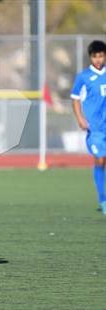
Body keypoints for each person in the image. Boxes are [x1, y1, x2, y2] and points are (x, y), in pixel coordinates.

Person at [71, 40, 106, 215]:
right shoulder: (83, 77)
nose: (98, 59)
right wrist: (80, 118)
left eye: (101, 56)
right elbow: (75, 99)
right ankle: (103, 199)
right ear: (90, 57)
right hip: (96, 128)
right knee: (100, 159)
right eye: (95, 56)